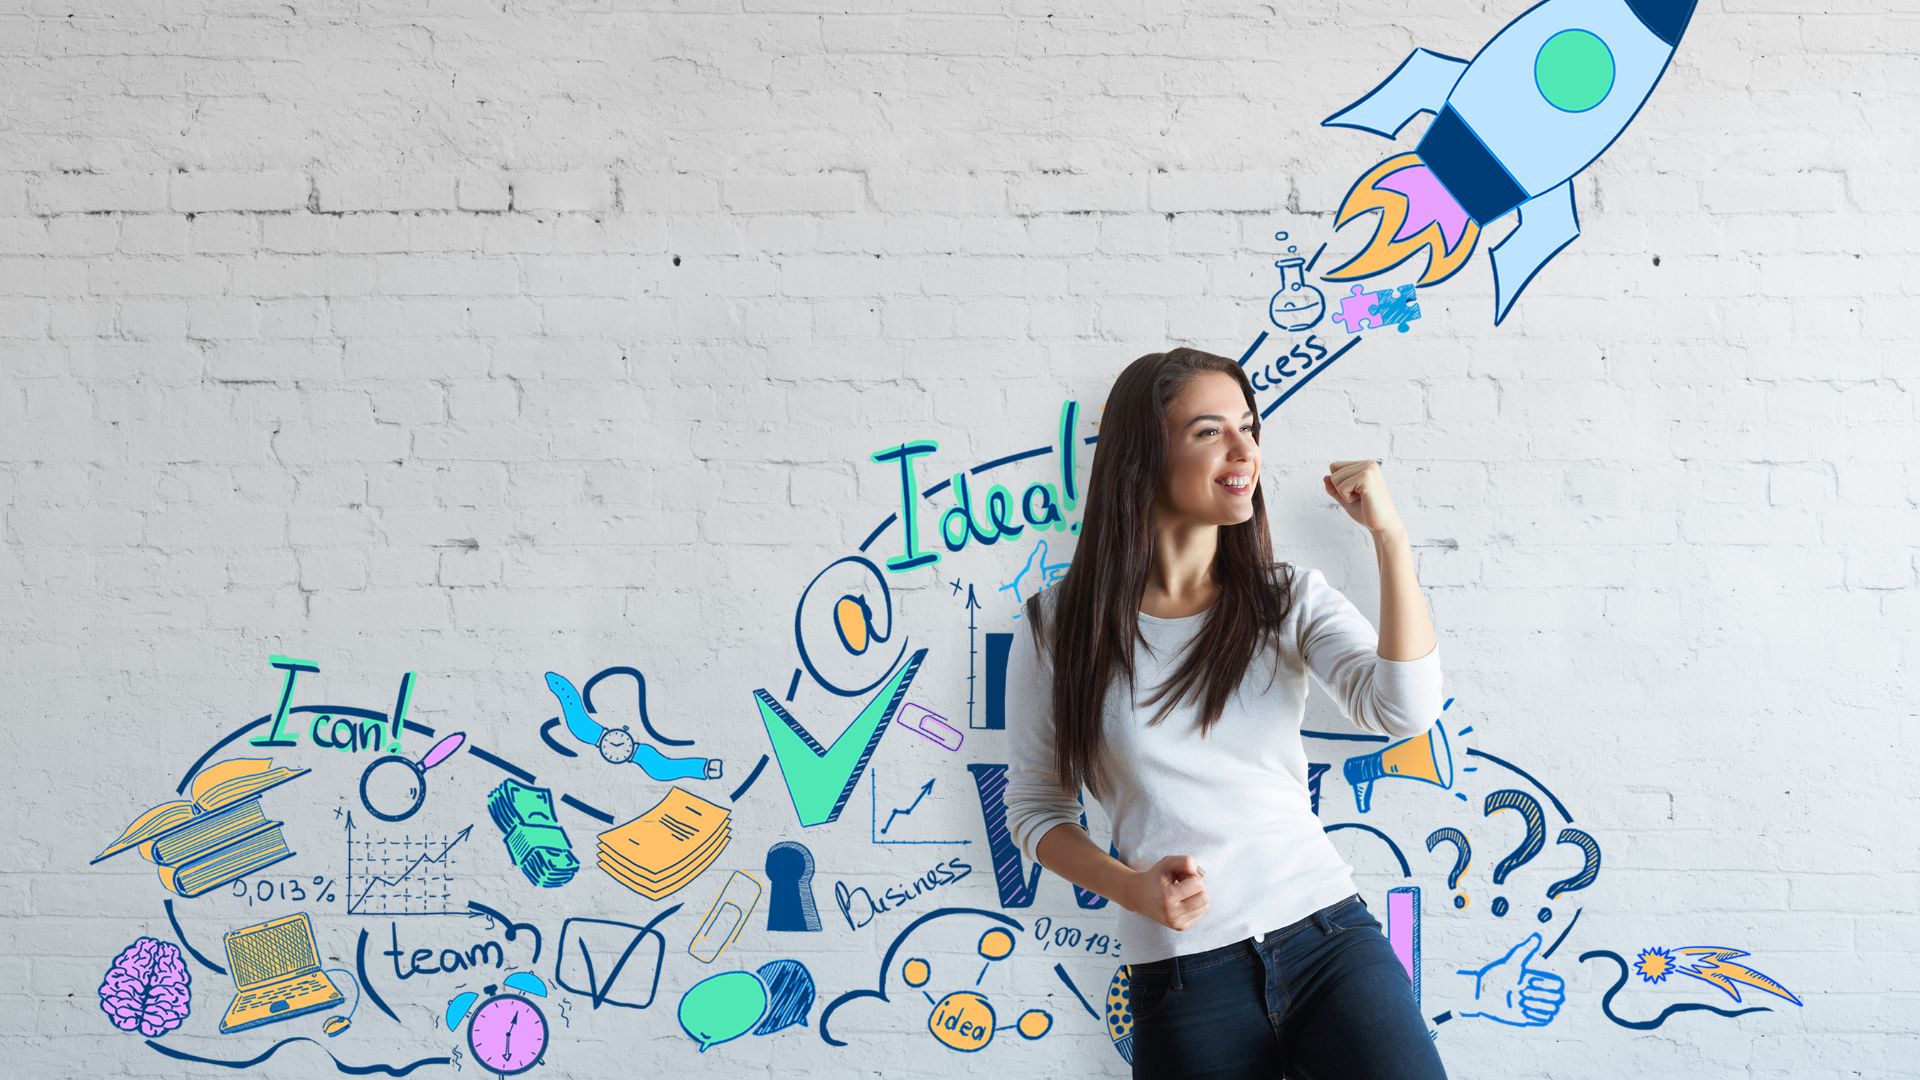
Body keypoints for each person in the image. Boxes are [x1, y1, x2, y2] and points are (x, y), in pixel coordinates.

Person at [1005, 348, 1451, 1079]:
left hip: (1329, 940)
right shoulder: (1059, 626)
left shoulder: (1285, 599)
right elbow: (1033, 808)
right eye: (1211, 431)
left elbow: (1403, 709)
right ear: (1144, 456)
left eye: (1249, 427)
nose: (1246, 451)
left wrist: (1389, 539)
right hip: (1182, 974)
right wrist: (1132, 888)